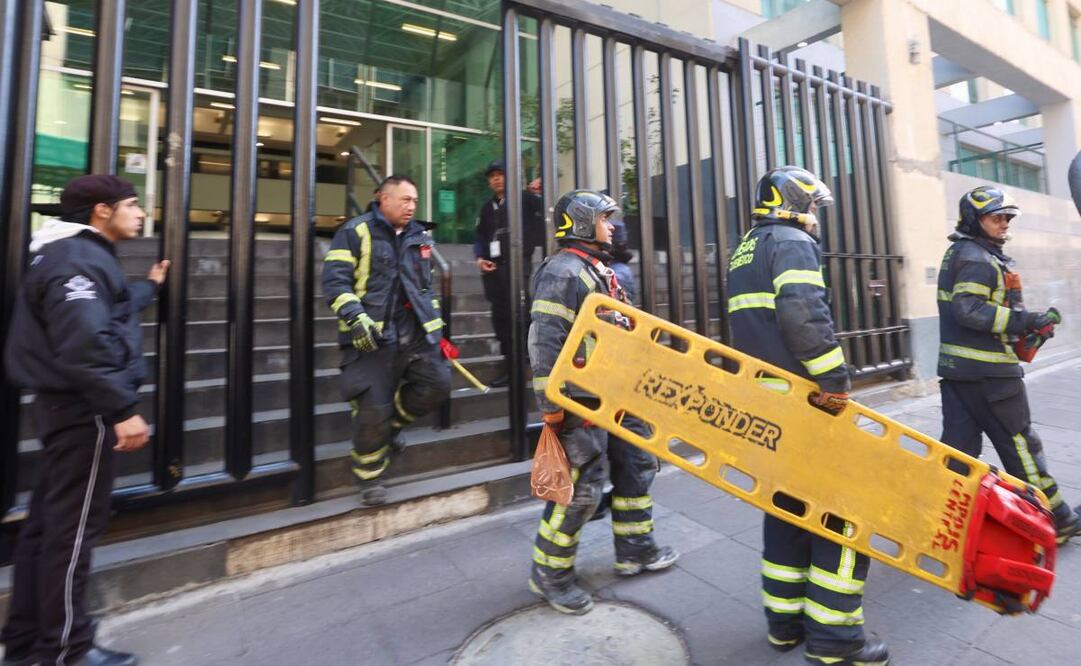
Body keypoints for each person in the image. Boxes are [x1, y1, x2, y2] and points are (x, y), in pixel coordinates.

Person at [1, 175, 169, 666]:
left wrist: (149, 288)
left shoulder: (72, 257)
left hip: (62, 406)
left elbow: (105, 312)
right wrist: (121, 410)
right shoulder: (76, 260)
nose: (140, 215)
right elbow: (84, 343)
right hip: (84, 410)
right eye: (133, 206)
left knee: (45, 528)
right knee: (71, 533)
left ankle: (27, 643)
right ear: (101, 210)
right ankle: (67, 650)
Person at [726, 166, 889, 665]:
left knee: (786, 510)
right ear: (791, 203)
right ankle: (835, 639)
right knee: (845, 513)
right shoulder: (791, 241)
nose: (816, 216)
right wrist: (835, 380)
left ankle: (785, 624)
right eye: (812, 206)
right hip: (806, 401)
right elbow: (803, 314)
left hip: (768, 400)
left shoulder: (745, 248)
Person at [527, 189, 678, 615]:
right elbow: (544, 341)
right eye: (604, 219)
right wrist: (552, 404)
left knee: (637, 465)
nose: (611, 226)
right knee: (581, 489)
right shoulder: (562, 271)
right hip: (581, 400)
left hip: (615, 396)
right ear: (580, 222)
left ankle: (636, 549)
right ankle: (549, 573)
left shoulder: (596, 269)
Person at [937, 185, 1081, 543]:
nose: (1004, 223)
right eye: (996, 217)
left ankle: (943, 522)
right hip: (992, 378)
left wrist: (1026, 328)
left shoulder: (964, 252)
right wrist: (1026, 321)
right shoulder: (977, 258)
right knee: (1021, 449)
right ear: (974, 219)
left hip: (959, 373)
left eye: (1007, 217)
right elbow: (968, 310)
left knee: (958, 454)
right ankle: (1058, 520)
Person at [322, 175, 451, 506]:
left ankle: (389, 430)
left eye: (415, 201)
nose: (412, 207)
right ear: (384, 198)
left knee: (437, 384)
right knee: (372, 410)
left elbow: (425, 289)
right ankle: (370, 476)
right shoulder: (355, 232)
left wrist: (436, 334)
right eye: (406, 200)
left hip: (415, 336)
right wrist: (356, 318)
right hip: (372, 339)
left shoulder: (419, 237)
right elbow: (335, 283)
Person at [473, 160, 545, 387]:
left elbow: (544, 215)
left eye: (500, 174)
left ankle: (525, 364)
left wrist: (540, 194)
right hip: (494, 270)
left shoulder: (525, 199)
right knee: (501, 318)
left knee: (520, 313)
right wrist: (480, 258)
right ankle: (510, 365)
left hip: (517, 265)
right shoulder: (487, 207)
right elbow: (480, 236)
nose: (496, 179)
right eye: (492, 175)